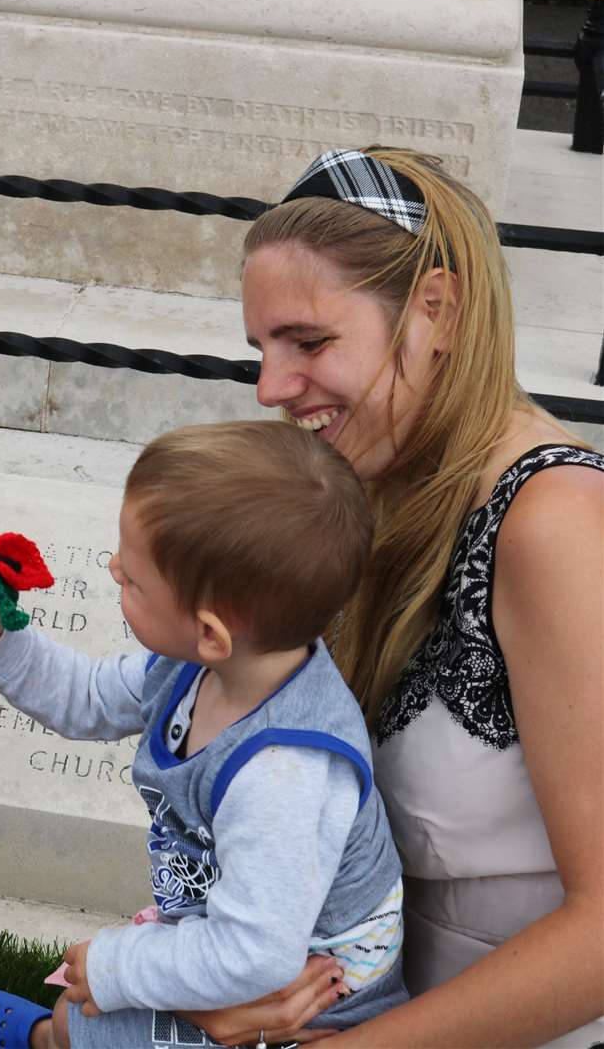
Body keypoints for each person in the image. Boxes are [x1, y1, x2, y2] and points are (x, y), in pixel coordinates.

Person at [181, 147, 604, 1047]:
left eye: (310, 342)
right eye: (260, 348)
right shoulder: (363, 493)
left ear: (436, 311)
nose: (269, 388)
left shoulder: (556, 522)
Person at [0, 420, 408, 1049]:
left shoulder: (283, 772)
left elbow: (250, 955)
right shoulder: (199, 667)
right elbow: (89, 698)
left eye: (132, 579)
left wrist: (117, 964)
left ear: (211, 631)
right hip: (243, 939)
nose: (111, 568)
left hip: (309, 1004)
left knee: (91, 1022)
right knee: (92, 1016)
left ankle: (46, 1041)